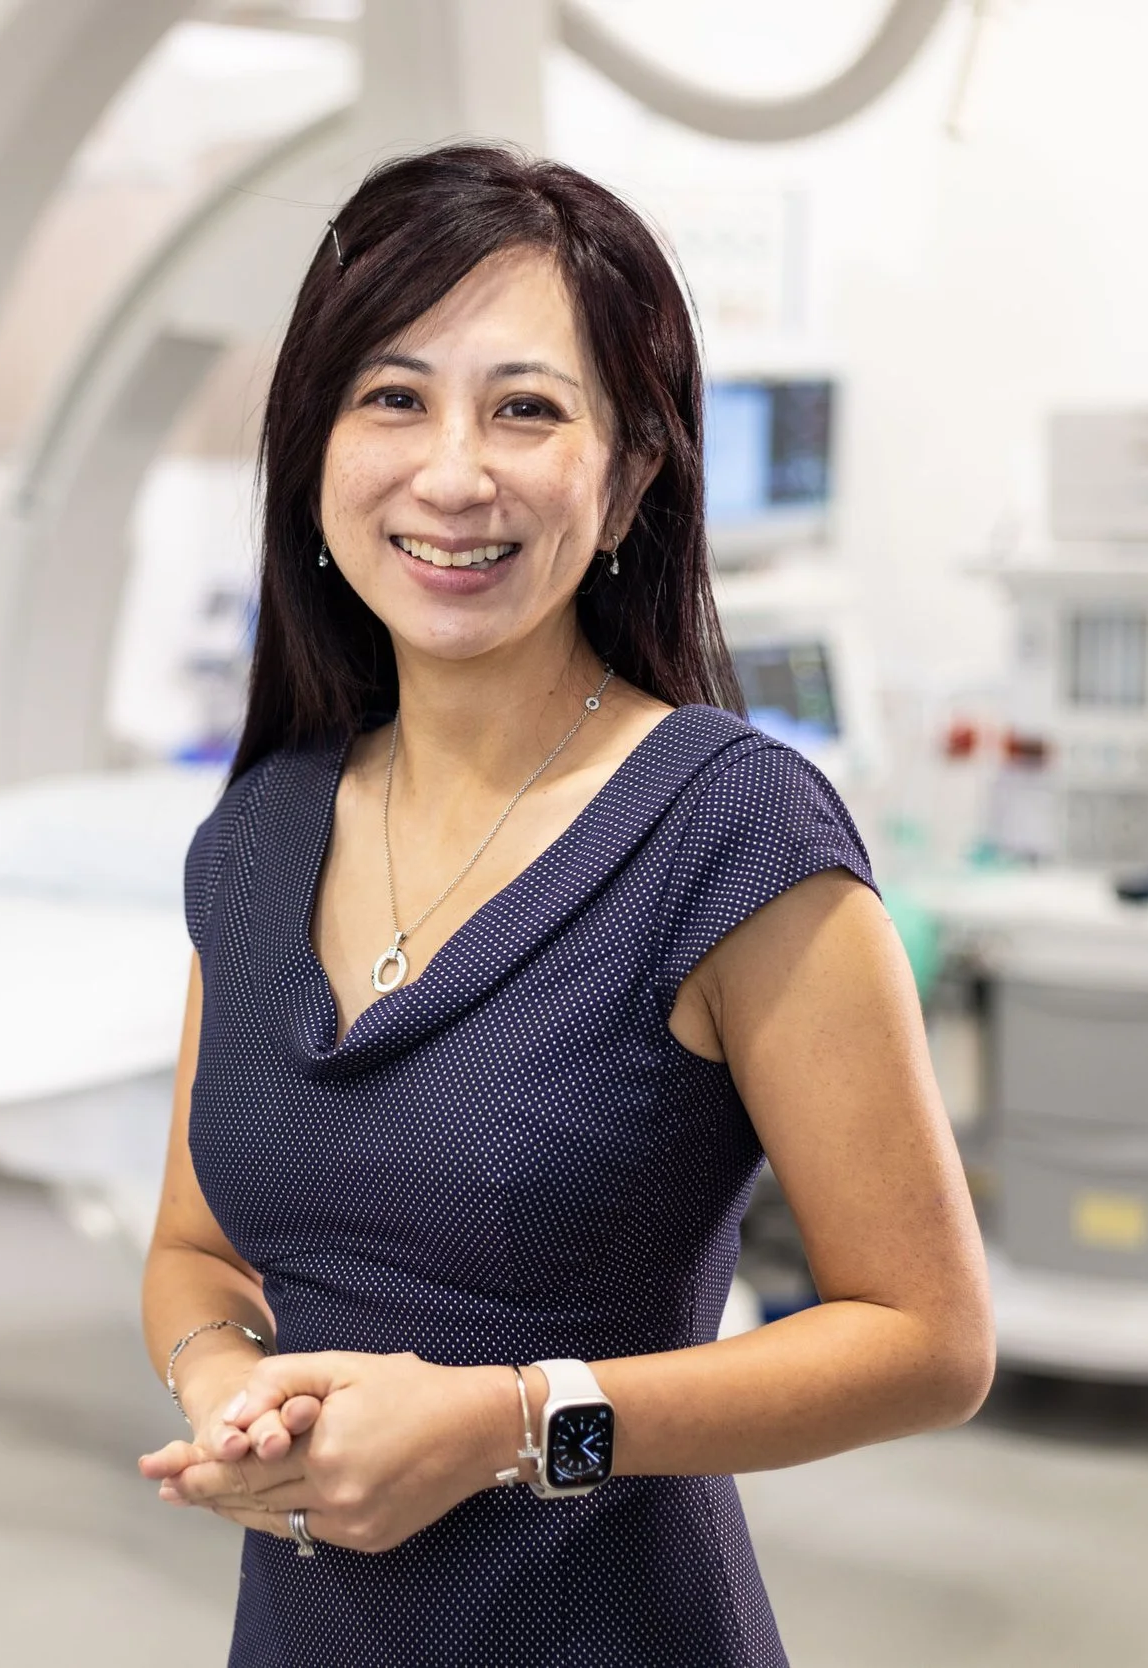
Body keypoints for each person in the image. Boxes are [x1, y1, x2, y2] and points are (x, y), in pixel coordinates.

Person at [137, 143, 991, 1668]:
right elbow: (198, 1251)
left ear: (629, 483)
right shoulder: (255, 834)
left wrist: (514, 1425)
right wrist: (223, 1387)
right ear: (314, 454)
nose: (453, 473)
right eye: (392, 399)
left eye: (526, 409)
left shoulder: (731, 831)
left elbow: (929, 1344)